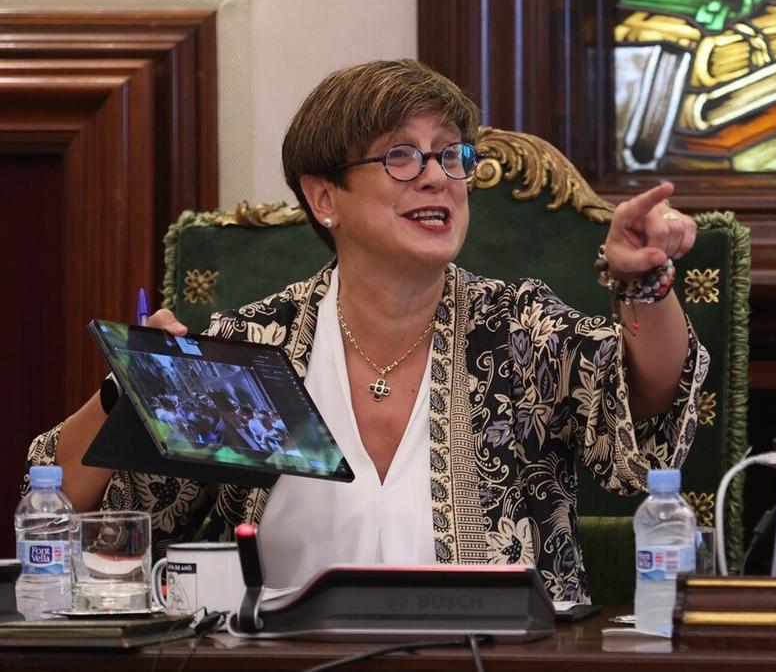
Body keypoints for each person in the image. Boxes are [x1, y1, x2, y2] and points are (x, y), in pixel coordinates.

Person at [26, 60, 709, 603]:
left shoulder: (520, 326)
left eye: (450, 155)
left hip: (497, 660)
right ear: (325, 198)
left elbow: (647, 397)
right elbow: (77, 511)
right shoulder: (256, 348)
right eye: (401, 158)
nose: (437, 178)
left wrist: (643, 282)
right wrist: (128, 388)